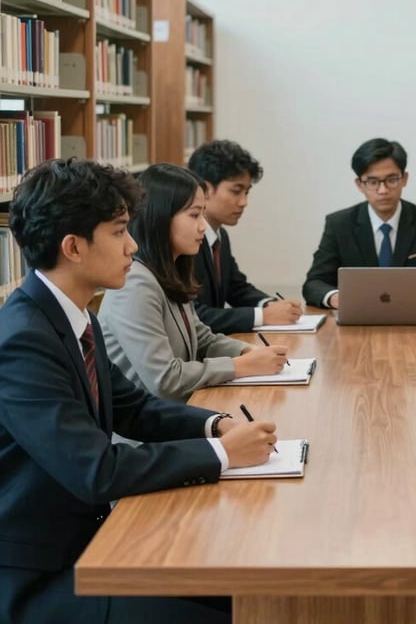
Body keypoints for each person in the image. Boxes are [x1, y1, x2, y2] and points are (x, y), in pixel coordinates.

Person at [0, 158, 278, 624]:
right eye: (118, 232)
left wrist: (216, 424)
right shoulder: (23, 339)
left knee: (255, 593)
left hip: (91, 542)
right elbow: (96, 470)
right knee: (241, 612)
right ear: (73, 247)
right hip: (39, 576)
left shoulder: (74, 315)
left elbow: (135, 408)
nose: (132, 246)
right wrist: (222, 455)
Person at [100, 163, 287, 402]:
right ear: (160, 217)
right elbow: (166, 380)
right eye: (194, 215)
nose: (202, 226)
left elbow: (202, 339)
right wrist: (239, 365)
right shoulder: (135, 284)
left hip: (181, 411)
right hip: (150, 432)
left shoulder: (170, 270)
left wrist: (247, 351)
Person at [302, 138, 416, 309]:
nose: (383, 190)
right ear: (359, 185)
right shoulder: (339, 224)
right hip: (357, 319)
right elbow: (314, 284)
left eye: (392, 180)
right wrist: (337, 298)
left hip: (412, 317)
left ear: (404, 179)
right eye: (372, 182)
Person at [188, 140, 302, 334]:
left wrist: (271, 305)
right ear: (205, 190)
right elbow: (193, 315)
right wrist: (262, 316)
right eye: (236, 191)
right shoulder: (186, 240)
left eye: (247, 192)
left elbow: (236, 288)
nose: (244, 202)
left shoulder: (219, 234)